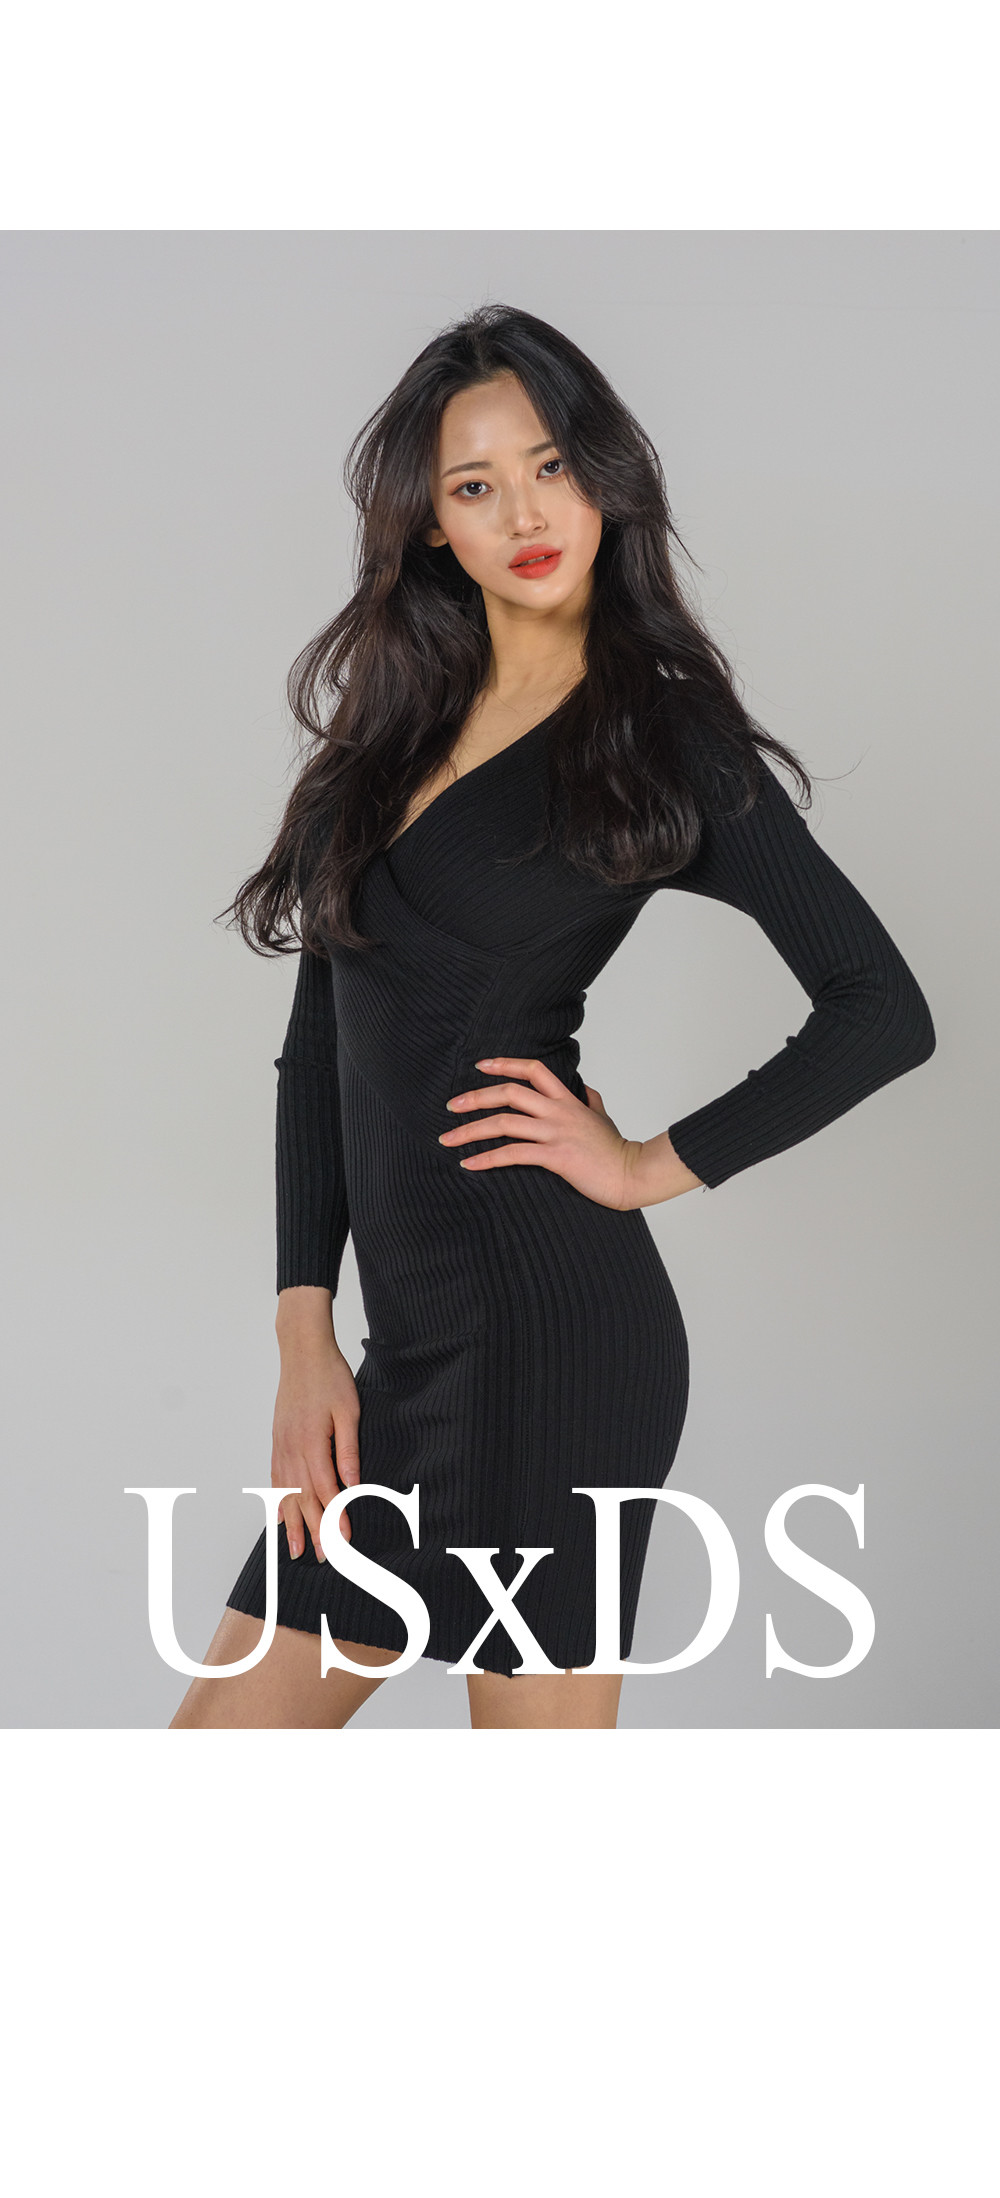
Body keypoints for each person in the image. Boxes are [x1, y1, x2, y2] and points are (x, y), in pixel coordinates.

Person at [169, 303, 935, 1733]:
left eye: (551, 466)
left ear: (604, 477)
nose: (525, 513)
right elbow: (322, 1053)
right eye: (476, 486)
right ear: (429, 525)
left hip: (556, 1335)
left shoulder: (660, 734)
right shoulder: (385, 734)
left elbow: (882, 1009)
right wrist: (301, 1331)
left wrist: (645, 1163)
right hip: (405, 1349)